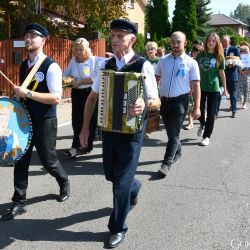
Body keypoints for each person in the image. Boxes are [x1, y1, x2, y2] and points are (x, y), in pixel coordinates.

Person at [79, 19, 160, 248]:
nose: (115, 40)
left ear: (132, 39)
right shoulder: (106, 65)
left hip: (132, 133)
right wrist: (85, 128)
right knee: (111, 175)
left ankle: (117, 227)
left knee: (121, 183)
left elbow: (157, 101)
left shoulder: (142, 65)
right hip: (110, 130)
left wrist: (145, 103)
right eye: (113, 35)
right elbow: (92, 97)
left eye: (120, 36)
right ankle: (135, 187)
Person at [1, 23, 70, 221]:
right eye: (27, 35)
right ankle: (19, 201)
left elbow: (56, 98)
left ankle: (64, 181)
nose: (29, 39)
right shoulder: (24, 65)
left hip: (45, 119)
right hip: (25, 118)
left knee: (48, 160)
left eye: (34, 36)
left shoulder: (51, 66)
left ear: (43, 40)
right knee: (20, 157)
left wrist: (28, 93)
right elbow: (25, 95)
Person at [155, 31, 201, 177]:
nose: (175, 45)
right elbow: (155, 79)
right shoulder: (163, 60)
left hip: (180, 101)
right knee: (171, 133)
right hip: (164, 102)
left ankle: (166, 164)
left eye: (178, 42)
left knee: (174, 134)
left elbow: (196, 86)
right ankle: (178, 151)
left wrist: (197, 107)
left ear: (185, 43)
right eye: (173, 42)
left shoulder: (191, 63)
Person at [63, 38, 97, 159]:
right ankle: (77, 146)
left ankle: (85, 145)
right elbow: (66, 74)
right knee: (76, 120)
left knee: (89, 120)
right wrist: (67, 81)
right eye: (76, 49)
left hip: (90, 93)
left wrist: (81, 81)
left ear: (87, 49)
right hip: (77, 93)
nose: (79, 52)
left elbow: (95, 77)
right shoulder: (73, 60)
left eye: (81, 49)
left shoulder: (92, 60)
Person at [196, 33, 228, 146]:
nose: (210, 43)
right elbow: (194, 70)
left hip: (213, 88)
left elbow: (222, 73)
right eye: (209, 40)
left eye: (213, 41)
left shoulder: (219, 56)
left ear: (216, 43)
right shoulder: (200, 55)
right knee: (199, 110)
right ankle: (202, 124)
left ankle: (206, 136)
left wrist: (225, 89)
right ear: (206, 42)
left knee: (211, 113)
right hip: (200, 87)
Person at [184, 43, 204, 130]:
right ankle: (190, 122)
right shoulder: (190, 61)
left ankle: (203, 120)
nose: (196, 54)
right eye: (195, 52)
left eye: (198, 52)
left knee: (202, 104)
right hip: (190, 85)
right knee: (190, 104)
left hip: (201, 85)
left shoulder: (202, 61)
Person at [221, 35, 240, 118]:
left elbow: (238, 60)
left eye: (225, 41)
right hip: (222, 75)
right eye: (223, 41)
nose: (224, 43)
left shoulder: (234, 49)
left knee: (233, 93)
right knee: (220, 93)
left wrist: (231, 64)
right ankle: (215, 112)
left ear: (229, 41)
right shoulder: (220, 49)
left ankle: (234, 111)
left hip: (232, 75)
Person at [144, 41, 160, 139]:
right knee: (147, 109)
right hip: (147, 88)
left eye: (152, 49)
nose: (150, 51)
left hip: (158, 88)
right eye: (148, 49)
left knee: (154, 109)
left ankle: (151, 127)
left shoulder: (159, 61)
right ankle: (147, 130)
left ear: (155, 50)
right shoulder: (144, 62)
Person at [238, 45, 250, 109]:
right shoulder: (239, 58)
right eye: (241, 51)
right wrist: (239, 71)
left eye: (243, 51)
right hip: (240, 75)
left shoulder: (249, 58)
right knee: (239, 89)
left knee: (246, 89)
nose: (242, 52)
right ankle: (235, 103)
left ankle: (244, 103)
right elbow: (237, 67)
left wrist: (245, 72)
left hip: (247, 76)